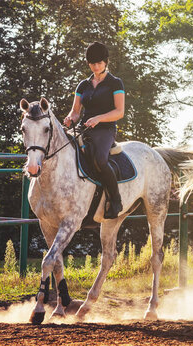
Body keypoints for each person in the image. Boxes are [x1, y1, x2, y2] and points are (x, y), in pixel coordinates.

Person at [64, 41, 125, 219]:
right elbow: (76, 112)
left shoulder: (115, 83)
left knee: (100, 159)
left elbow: (119, 112)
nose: (96, 66)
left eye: (99, 63)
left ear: (106, 62)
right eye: (92, 63)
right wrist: (70, 119)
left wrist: (99, 118)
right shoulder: (83, 85)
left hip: (105, 129)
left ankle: (115, 199)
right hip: (84, 128)